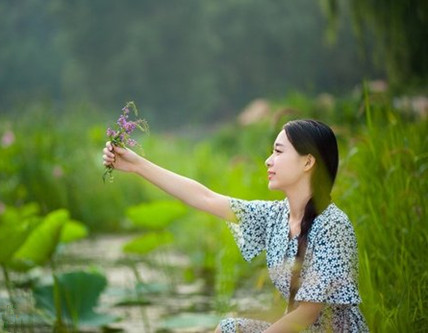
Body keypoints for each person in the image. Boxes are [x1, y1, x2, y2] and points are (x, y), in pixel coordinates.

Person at [102, 119, 369, 332]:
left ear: (308, 162)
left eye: (278, 151)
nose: (268, 160)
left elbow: (307, 314)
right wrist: (137, 165)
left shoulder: (333, 225)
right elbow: (204, 197)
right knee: (230, 328)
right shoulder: (275, 216)